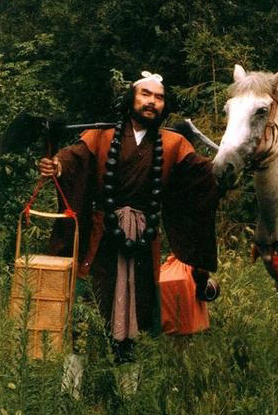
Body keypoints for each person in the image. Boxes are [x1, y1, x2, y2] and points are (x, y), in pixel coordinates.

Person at [39, 71, 220, 394]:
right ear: (131, 99)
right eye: (145, 94)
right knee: (87, 309)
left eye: (159, 98)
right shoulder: (100, 136)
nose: (152, 102)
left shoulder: (174, 143)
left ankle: (129, 394)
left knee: (139, 310)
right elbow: (73, 159)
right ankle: (71, 391)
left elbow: (202, 175)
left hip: (144, 243)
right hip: (100, 239)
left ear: (164, 106)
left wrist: (235, 160)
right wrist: (58, 166)